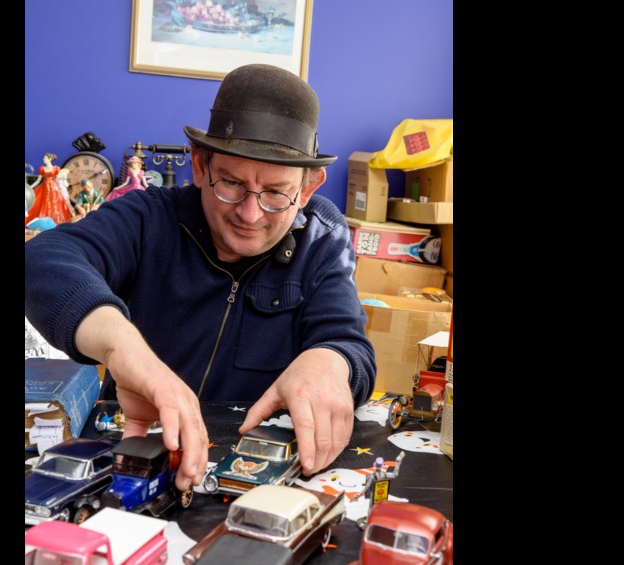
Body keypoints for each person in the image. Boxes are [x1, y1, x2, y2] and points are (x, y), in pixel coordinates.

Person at [25, 64, 376, 492]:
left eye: (276, 193)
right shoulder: (147, 216)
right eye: (230, 183)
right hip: (137, 462)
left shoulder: (323, 239)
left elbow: (350, 346)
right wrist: (121, 347)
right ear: (197, 163)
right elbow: (43, 260)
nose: (250, 214)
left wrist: (330, 362)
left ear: (307, 188)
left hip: (251, 480)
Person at [352, 454, 404, 530]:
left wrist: (358, 495)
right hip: (382, 494)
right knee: (380, 508)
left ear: (375, 466)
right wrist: (398, 463)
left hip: (374, 495)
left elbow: (367, 487)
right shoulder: (384, 474)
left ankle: (370, 522)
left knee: (371, 509)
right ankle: (376, 520)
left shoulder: (372, 476)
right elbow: (394, 474)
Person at [25, 153, 75, 227]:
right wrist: (32, 186)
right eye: (44, 158)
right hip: (44, 187)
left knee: (56, 203)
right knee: (42, 202)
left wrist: (63, 182)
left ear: (50, 159)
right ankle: (43, 221)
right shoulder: (42, 169)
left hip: (54, 187)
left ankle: (56, 220)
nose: (43, 159)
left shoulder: (56, 168)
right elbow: (39, 179)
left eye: (45, 158)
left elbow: (59, 178)